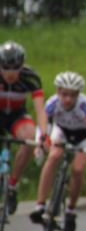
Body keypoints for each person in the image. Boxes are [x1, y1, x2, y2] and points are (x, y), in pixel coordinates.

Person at [28, 72, 86, 231]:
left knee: (77, 169)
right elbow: (43, 127)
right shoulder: (53, 103)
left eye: (73, 95)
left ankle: (71, 210)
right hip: (62, 132)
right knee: (54, 156)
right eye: (64, 94)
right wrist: (40, 143)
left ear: (78, 94)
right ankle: (40, 205)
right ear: (58, 92)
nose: (68, 99)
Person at [0, 41, 48, 215]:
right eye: (5, 68)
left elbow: (40, 111)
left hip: (16, 115)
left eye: (15, 68)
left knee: (29, 138)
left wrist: (42, 136)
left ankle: (12, 185)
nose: (10, 73)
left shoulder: (30, 77)